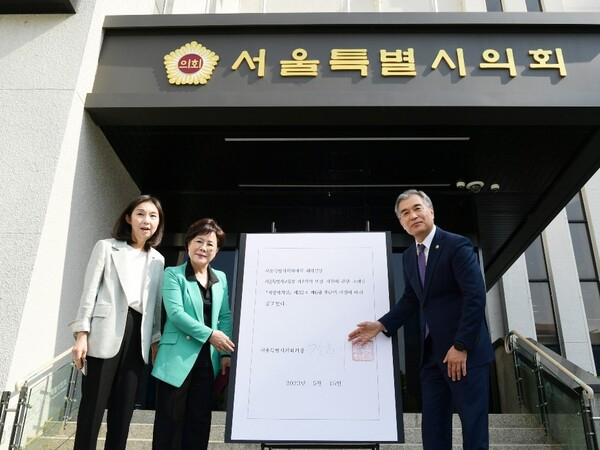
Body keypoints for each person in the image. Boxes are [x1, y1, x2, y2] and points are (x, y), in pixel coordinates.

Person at [348, 189, 494, 450]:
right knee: (433, 428)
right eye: (405, 213)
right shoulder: (408, 257)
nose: (412, 215)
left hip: (464, 355)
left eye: (417, 208)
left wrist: (462, 345)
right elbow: (411, 299)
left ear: (431, 211)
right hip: (432, 356)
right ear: (402, 223)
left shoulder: (456, 244)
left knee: (473, 427)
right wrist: (381, 325)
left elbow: (475, 297)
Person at [68, 194, 165, 450]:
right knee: (92, 409)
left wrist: (155, 340)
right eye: (141, 214)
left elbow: (154, 306)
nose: (147, 220)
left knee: (123, 413)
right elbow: (90, 290)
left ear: (158, 224)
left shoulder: (158, 259)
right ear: (128, 218)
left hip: (138, 337)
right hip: (104, 332)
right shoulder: (106, 246)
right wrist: (81, 334)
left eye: (153, 216)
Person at [152, 217, 235, 450]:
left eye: (210, 244)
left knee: (199, 422)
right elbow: (176, 314)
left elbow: (224, 317)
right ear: (188, 243)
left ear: (217, 251)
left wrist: (225, 354)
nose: (204, 248)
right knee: (169, 421)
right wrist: (211, 335)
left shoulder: (221, 279)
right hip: (175, 358)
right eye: (199, 241)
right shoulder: (173, 274)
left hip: (208, 362)